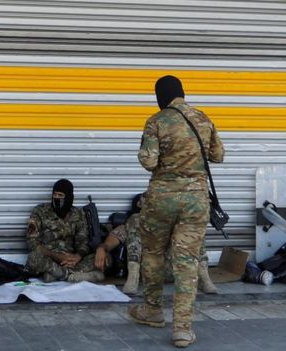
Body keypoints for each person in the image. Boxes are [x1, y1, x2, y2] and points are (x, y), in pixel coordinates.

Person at [130, 75, 224, 348]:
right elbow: (218, 155)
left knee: (153, 253)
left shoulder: (156, 121)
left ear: (161, 95)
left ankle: (152, 310)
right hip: (195, 200)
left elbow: (149, 162)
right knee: (186, 261)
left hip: (162, 199)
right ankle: (183, 329)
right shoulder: (203, 119)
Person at [96, 193, 217, 295]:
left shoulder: (173, 223)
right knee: (136, 220)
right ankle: (133, 276)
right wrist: (101, 249)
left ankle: (204, 276)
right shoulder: (132, 224)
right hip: (148, 272)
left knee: (193, 226)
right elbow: (110, 242)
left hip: (175, 270)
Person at [25, 179, 104, 283]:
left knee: (106, 259)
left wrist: (78, 256)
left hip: (71, 260)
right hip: (49, 257)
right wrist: (56, 256)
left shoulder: (78, 214)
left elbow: (83, 241)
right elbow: (32, 242)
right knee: (33, 258)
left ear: (69, 197)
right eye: (55, 195)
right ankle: (70, 276)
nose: (57, 198)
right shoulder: (40, 211)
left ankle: (56, 274)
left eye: (60, 195)